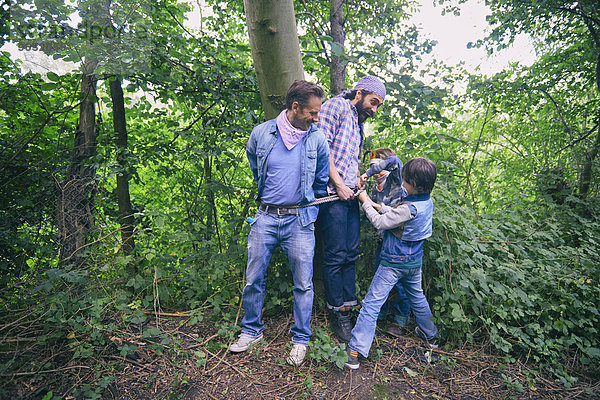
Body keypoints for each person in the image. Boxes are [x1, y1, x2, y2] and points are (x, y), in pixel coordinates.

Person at [229, 80, 330, 366]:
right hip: (265, 218)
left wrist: (308, 205)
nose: (316, 117)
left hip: (300, 220)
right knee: (253, 279)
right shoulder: (262, 133)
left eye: (318, 112)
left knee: (303, 283)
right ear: (295, 107)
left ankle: (300, 339)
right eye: (312, 112)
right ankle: (251, 332)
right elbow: (254, 164)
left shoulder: (317, 138)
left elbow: (321, 178)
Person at [344, 157, 440, 370]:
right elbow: (400, 214)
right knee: (417, 297)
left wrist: (365, 201)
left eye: (405, 181)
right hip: (414, 263)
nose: (402, 183)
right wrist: (381, 205)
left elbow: (380, 222)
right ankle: (431, 336)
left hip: (393, 264)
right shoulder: (425, 203)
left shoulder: (409, 207)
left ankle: (355, 351)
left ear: (413, 184)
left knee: (372, 303)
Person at [317, 75, 386, 342]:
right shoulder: (335, 107)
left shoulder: (358, 123)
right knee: (335, 255)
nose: (374, 109)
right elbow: (321, 150)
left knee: (350, 253)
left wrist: (356, 178)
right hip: (330, 196)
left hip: (349, 195)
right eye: (373, 102)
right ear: (359, 93)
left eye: (379, 105)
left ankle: (348, 304)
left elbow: (346, 157)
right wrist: (337, 182)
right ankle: (338, 314)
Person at [361, 148, 411, 327]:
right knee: (378, 279)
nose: (376, 173)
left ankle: (401, 319)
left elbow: (395, 160)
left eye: (379, 167)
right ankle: (380, 313)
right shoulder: (375, 190)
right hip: (382, 241)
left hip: (399, 242)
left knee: (399, 282)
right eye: (373, 167)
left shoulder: (396, 182)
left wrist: (367, 173)